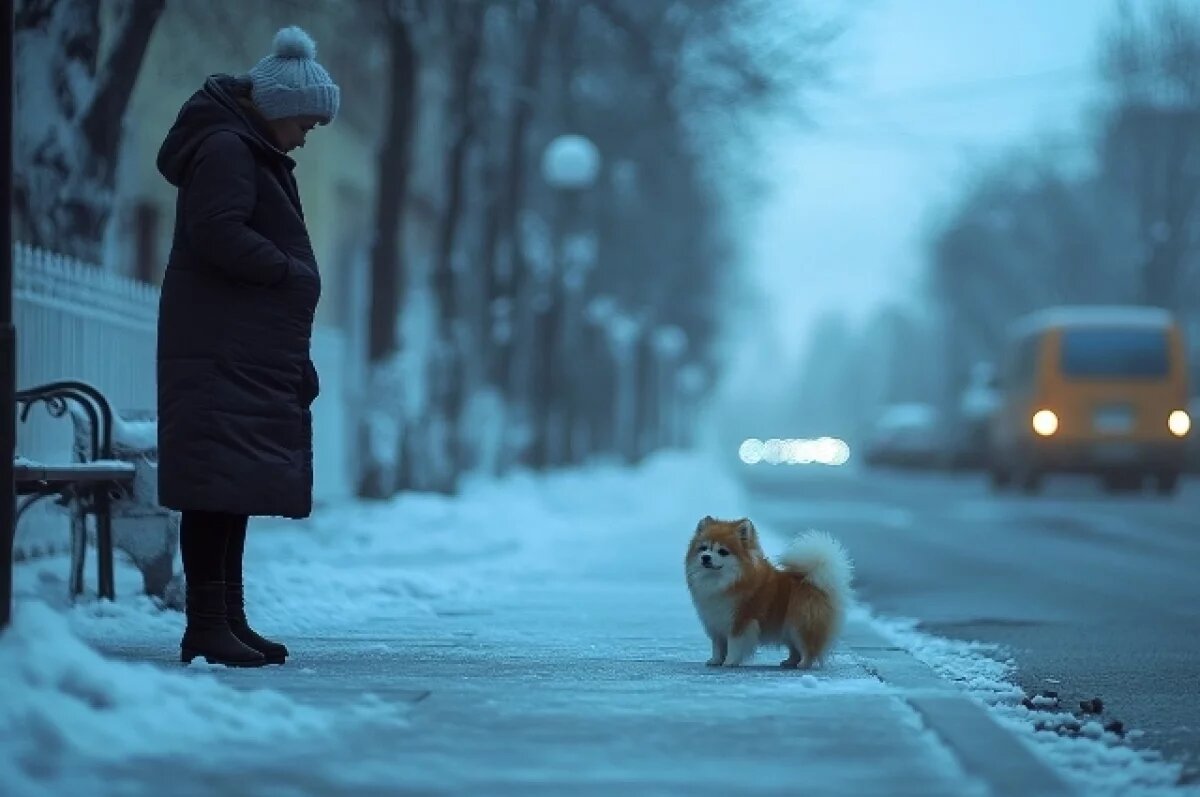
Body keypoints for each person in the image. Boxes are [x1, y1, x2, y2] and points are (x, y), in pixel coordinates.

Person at [155, 26, 339, 667]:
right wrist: (289, 272)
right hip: (218, 350)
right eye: (306, 124)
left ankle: (226, 617)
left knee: (228, 486)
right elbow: (217, 232)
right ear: (280, 110)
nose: (307, 137)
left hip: (234, 346)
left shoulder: (243, 147)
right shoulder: (230, 149)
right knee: (213, 489)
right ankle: (206, 624)